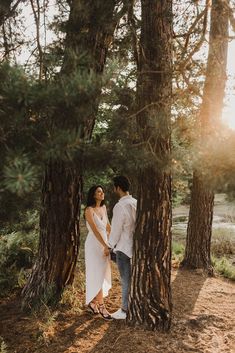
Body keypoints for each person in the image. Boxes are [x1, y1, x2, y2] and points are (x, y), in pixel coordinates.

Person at [109, 176, 137, 320]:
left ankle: (124, 310)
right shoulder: (135, 203)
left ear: (118, 188)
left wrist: (109, 245)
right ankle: (132, 305)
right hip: (134, 247)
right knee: (132, 279)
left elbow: (116, 231)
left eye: (114, 187)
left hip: (123, 248)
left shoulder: (120, 206)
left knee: (125, 279)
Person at [84, 185, 112, 320]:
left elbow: (108, 227)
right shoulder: (88, 210)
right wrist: (105, 245)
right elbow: (95, 231)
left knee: (102, 273)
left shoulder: (104, 208)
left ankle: (92, 303)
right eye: (99, 192)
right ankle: (101, 306)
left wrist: (113, 241)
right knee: (96, 274)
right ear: (93, 195)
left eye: (102, 191)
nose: (102, 193)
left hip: (105, 244)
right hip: (94, 245)